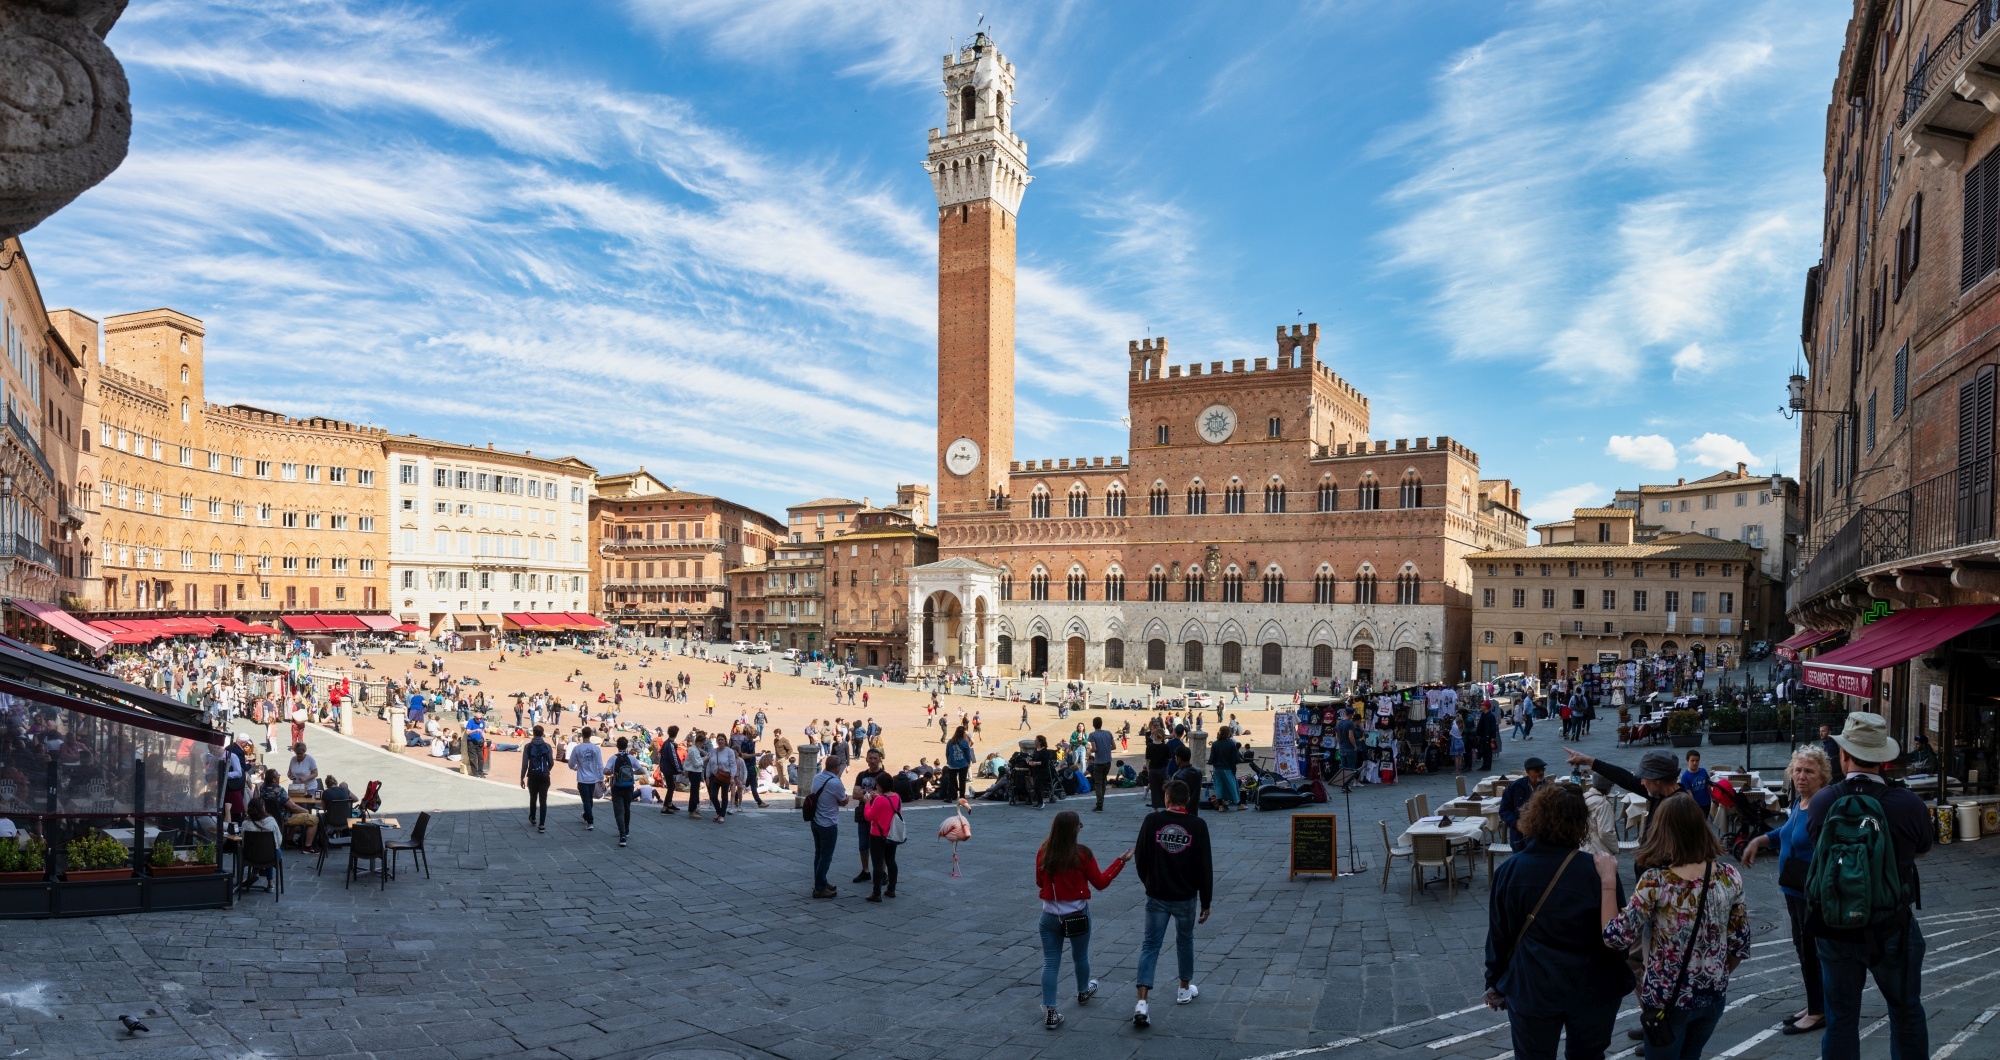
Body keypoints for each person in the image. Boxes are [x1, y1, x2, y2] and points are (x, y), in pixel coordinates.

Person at [1805, 712, 1933, 1060]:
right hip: (1892, 926)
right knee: (1906, 1012)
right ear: (1884, 758)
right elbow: (1922, 849)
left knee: (1841, 1020)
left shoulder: (1822, 803)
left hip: (1835, 928)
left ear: (1844, 755)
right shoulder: (1909, 804)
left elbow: (1818, 847)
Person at [1483, 784, 1633, 1060]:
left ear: (1533, 817)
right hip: (1592, 986)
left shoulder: (1509, 871)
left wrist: (1494, 981)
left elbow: (1499, 934)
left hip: (1532, 985)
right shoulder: (1599, 871)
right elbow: (1617, 937)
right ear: (1580, 824)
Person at [1602, 793, 1751, 1060]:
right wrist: (1713, 974)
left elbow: (1615, 937)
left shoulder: (1655, 882)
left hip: (1666, 1000)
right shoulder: (1730, 876)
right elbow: (1739, 944)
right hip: (1713, 997)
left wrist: (1607, 883)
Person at [1740, 745, 1831, 1037]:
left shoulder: (1821, 806)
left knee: (1811, 951)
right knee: (1803, 950)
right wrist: (1759, 841)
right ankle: (1815, 1003)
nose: (1801, 776)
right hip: (1793, 890)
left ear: (1822, 777)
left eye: (1809, 771)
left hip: (1810, 893)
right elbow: (1786, 833)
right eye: (1797, 770)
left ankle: (1819, 1011)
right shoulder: (1799, 803)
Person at [1034, 810, 1131, 1030]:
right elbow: (1101, 882)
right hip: (1077, 914)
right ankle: (1082, 991)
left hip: (1050, 915)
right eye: (1080, 825)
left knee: (1050, 963)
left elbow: (1040, 882)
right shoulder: (1083, 854)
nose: (1081, 828)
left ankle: (1050, 1012)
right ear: (1074, 829)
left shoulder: (1044, 851)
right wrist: (1120, 862)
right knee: (1080, 956)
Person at [1131, 779, 1212, 1030]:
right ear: (1187, 800)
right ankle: (1184, 988)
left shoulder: (1152, 821)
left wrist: (1149, 882)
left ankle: (1142, 1002)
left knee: (1150, 946)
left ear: (1166, 799)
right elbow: (1205, 866)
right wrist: (1206, 900)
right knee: (1185, 940)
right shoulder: (1198, 825)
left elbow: (1140, 856)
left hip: (1156, 894)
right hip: (1186, 896)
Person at [806, 754, 848, 898]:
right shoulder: (836, 782)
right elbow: (843, 801)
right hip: (828, 823)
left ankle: (821, 881)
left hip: (816, 821)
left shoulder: (817, 777)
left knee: (819, 854)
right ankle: (819, 887)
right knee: (826, 856)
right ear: (836, 768)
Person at [861, 773, 902, 902]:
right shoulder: (897, 797)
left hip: (878, 835)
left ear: (881, 785)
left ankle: (876, 893)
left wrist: (867, 803)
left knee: (877, 864)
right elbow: (888, 806)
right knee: (891, 861)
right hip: (892, 835)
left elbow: (869, 816)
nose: (876, 786)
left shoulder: (880, 800)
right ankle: (891, 889)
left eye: (877, 784)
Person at [852, 750, 890, 882]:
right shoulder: (861, 775)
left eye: (875, 758)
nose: (873, 761)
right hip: (864, 813)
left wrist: (865, 794)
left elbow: (889, 795)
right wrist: (869, 796)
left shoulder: (885, 775)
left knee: (881, 844)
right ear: (866, 759)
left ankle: (882, 872)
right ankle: (865, 870)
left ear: (880, 759)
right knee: (863, 844)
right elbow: (854, 794)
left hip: (881, 815)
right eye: (870, 758)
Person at [1497, 758, 1547, 846]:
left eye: (1543, 769)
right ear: (1528, 772)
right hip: (1519, 837)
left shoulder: (1548, 788)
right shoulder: (1516, 786)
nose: (1541, 773)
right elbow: (1504, 810)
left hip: (1543, 836)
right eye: (1537, 770)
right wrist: (1516, 823)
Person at [606, 736, 640, 847]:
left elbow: (606, 770)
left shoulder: (613, 758)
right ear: (627, 746)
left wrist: (611, 772)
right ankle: (627, 829)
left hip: (617, 787)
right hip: (629, 787)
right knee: (627, 808)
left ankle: (622, 834)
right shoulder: (631, 758)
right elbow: (641, 770)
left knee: (619, 811)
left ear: (617, 746)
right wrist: (631, 773)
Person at [569, 726, 604, 831]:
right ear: (591, 735)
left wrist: (576, 767)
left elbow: (571, 764)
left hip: (582, 778)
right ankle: (586, 816)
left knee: (586, 800)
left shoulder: (577, 748)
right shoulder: (596, 748)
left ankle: (590, 821)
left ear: (582, 735)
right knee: (589, 799)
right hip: (593, 778)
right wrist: (601, 778)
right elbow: (600, 764)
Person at [520, 725, 554, 833]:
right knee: (543, 800)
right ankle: (542, 825)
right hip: (544, 776)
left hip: (533, 775)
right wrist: (547, 770)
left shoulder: (528, 747)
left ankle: (533, 817)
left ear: (533, 733)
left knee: (533, 797)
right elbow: (551, 762)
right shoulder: (547, 746)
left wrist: (522, 777)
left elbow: (525, 764)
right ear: (543, 733)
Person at [1582, 773, 1618, 857]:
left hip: (1582, 846)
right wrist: (1614, 847)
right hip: (1598, 849)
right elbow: (1605, 832)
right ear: (1607, 787)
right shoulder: (1604, 804)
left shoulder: (1583, 797)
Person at [1206, 723, 1239, 812]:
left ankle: (1220, 805)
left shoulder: (1215, 744)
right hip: (1228, 768)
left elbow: (1212, 759)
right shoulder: (1231, 744)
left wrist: (1209, 762)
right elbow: (1236, 758)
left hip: (1217, 768)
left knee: (1218, 786)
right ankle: (1238, 804)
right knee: (1232, 785)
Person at [1143, 722, 1171, 809]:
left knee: (1154, 790)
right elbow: (1169, 759)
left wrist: (1148, 769)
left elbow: (1147, 759)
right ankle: (1165, 806)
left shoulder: (1149, 746)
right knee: (1164, 788)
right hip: (1162, 769)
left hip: (1153, 769)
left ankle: (1155, 809)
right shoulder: (1165, 747)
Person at [945, 725, 975, 803]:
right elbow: (967, 754)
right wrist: (968, 762)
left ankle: (950, 797)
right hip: (963, 764)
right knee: (962, 781)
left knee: (951, 781)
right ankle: (962, 797)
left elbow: (947, 753)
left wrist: (948, 761)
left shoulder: (950, 742)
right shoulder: (964, 742)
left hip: (952, 764)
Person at [1475, 701, 1500, 773]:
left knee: (1488, 752)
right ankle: (1484, 765)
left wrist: (1493, 737)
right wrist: (1478, 734)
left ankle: (1488, 766)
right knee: (1483, 751)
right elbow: (1480, 725)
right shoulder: (1483, 715)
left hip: (1488, 736)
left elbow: (1493, 727)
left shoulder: (1491, 716)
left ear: (1486, 707)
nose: (1481, 707)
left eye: (1482, 706)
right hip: (1483, 735)